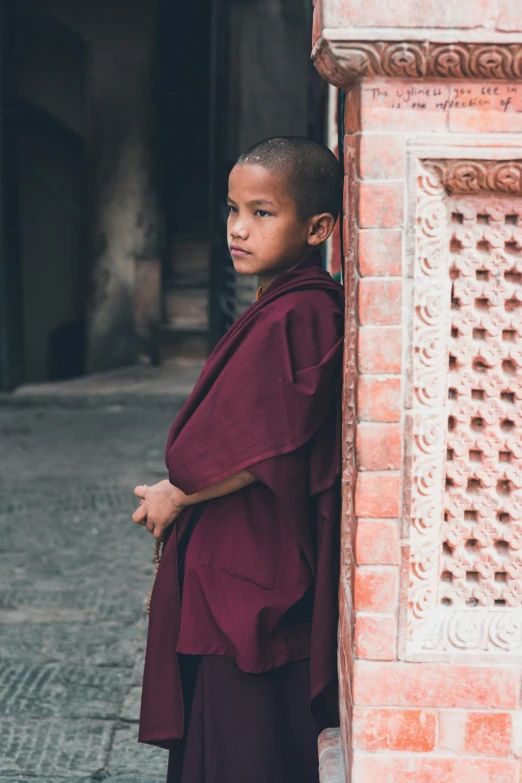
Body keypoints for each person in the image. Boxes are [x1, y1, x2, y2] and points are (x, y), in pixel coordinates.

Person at [132, 136, 344, 783]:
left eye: (261, 212)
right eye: (231, 209)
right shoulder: (279, 304)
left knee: (243, 744)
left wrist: (178, 493)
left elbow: (264, 444)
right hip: (234, 569)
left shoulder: (302, 313)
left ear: (318, 227)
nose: (237, 229)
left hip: (254, 582)